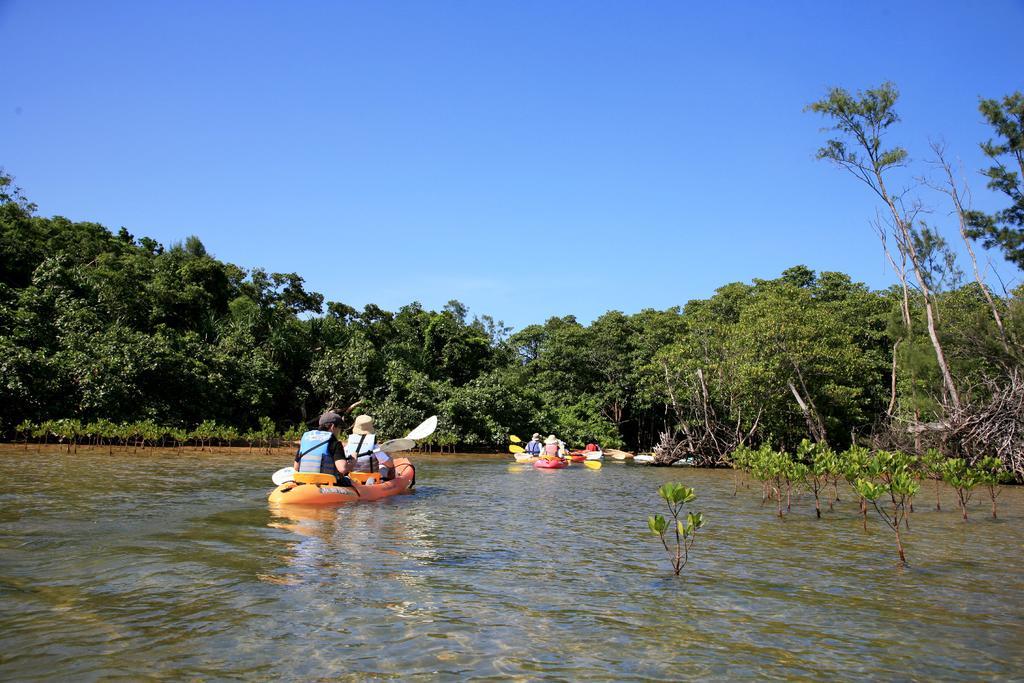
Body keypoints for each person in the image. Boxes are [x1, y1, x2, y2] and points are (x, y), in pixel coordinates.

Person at [294, 411, 353, 484]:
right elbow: (342, 469)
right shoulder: (335, 442)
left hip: (304, 482)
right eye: (340, 427)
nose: (340, 431)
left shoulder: (306, 439)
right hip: (326, 484)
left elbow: (296, 467)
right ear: (332, 426)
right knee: (348, 480)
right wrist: (353, 461)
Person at [341, 414, 396, 482]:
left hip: (353, 478)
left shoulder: (348, 445)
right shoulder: (374, 447)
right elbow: (389, 464)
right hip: (370, 479)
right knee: (383, 467)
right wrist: (390, 458)